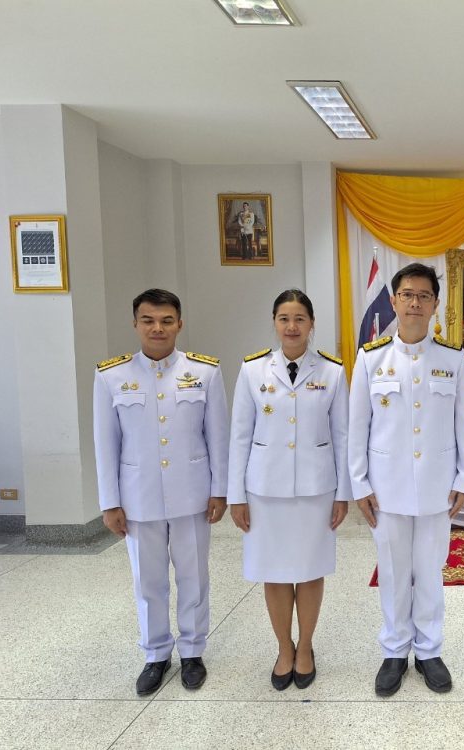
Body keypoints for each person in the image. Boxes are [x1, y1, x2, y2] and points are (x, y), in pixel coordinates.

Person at [93, 288, 229, 696]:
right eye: (149, 321)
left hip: (192, 494)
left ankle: (192, 651)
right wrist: (110, 502)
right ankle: (155, 654)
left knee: (193, 576)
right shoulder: (111, 376)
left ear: (179, 324)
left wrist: (220, 490)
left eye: (167, 321)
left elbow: (217, 437)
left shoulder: (205, 372)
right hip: (139, 497)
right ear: (135, 324)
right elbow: (106, 444)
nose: (158, 328)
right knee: (148, 580)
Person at [349, 262, 464, 697]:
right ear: (394, 301)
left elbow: (463, 424)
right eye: (407, 295)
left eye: (424, 296)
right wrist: (360, 484)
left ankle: (429, 650)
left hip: (438, 486)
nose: (415, 303)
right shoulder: (371, 359)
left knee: (430, 570)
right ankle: (394, 650)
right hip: (386, 488)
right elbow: (358, 427)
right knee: (393, 570)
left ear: (435, 304)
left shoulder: (452, 358)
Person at [227, 289, 351, 691]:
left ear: (312, 324)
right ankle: (284, 647)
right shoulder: (252, 370)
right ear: (274, 322)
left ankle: (306, 646)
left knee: (311, 570)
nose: (292, 326)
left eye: (300, 318)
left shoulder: (332, 371)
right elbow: (239, 436)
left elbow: (343, 436)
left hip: (316, 489)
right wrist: (236, 495)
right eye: (284, 318)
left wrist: (343, 493)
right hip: (265, 489)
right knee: (275, 573)